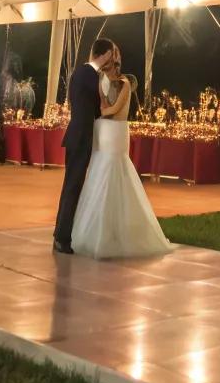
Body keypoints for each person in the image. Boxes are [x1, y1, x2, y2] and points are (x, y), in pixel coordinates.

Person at [71, 55, 172, 259]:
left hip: (115, 132)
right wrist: (100, 94)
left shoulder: (125, 84)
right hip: (104, 131)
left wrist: (100, 111)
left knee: (116, 172)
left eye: (109, 68)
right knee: (99, 175)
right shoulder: (105, 82)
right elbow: (104, 103)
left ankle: (119, 232)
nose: (107, 72)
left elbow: (115, 109)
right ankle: (99, 230)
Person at [53, 37, 116, 253]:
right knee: (73, 187)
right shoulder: (91, 75)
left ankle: (60, 233)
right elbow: (101, 107)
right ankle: (62, 237)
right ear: (106, 54)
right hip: (81, 137)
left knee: (70, 185)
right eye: (111, 55)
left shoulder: (80, 72)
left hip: (75, 135)